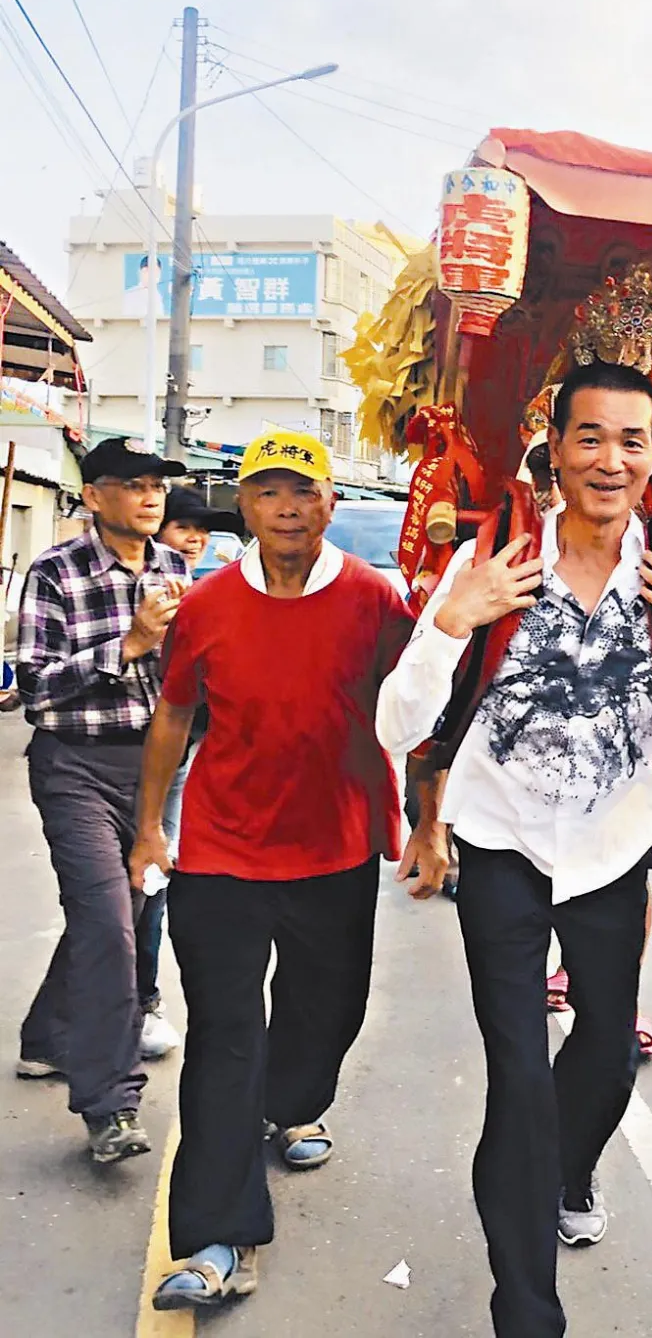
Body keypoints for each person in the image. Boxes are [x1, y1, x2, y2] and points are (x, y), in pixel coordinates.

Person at [377, 360, 652, 1338]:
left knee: (604, 1056)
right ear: (555, 444)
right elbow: (396, 722)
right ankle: (528, 1309)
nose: (611, 459)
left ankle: (569, 1167)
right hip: (499, 841)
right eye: (590, 436)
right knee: (516, 1071)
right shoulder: (498, 562)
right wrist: (450, 623)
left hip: (613, 847)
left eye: (633, 441)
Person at [128, 430, 414, 1312]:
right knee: (223, 1034)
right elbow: (174, 717)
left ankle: (293, 1102)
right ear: (243, 509)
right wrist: (148, 830)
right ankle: (219, 1235)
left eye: (304, 491)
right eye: (269, 493)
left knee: (329, 1007)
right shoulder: (207, 605)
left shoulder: (376, 601)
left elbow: (420, 709)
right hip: (223, 846)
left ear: (330, 503)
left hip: (337, 843)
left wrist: (432, 821)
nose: (288, 507)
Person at [15, 434, 189, 1163]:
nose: (151, 497)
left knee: (119, 917)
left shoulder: (178, 569)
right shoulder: (54, 572)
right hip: (76, 769)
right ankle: (110, 1105)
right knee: (110, 931)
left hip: (158, 772)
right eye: (133, 483)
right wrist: (127, 648)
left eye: (157, 484)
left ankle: (47, 1039)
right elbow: (33, 685)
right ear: (94, 496)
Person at [135, 487, 244, 1060]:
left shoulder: (210, 592)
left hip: (181, 760)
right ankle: (136, 1003)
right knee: (127, 895)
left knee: (151, 883)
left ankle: (126, 1005)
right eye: (183, 528)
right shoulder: (155, 595)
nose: (195, 539)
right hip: (121, 757)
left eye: (203, 530)